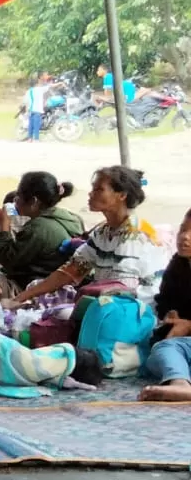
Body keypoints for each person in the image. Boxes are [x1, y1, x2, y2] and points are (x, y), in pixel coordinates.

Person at [11, 166, 166, 306]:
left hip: (133, 312)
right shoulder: (102, 234)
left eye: (99, 189)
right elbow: (70, 271)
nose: (91, 193)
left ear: (122, 195)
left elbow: (129, 291)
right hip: (107, 308)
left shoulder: (137, 236)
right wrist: (22, 297)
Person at [0, 172, 83, 287]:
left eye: (18, 196)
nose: (15, 201)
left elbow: (7, 261)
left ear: (33, 201)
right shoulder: (71, 218)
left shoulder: (38, 228)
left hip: (39, 286)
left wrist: (3, 227)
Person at [140, 209, 191, 402]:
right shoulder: (179, 264)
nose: (185, 237)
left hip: (181, 341)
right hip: (184, 343)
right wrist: (171, 315)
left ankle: (180, 384)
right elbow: (164, 300)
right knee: (154, 357)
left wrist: (187, 324)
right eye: (183, 230)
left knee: (166, 350)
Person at [23, 74, 54, 142]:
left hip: (31, 110)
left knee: (30, 125)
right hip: (37, 110)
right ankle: (36, 139)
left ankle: (29, 138)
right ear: (37, 83)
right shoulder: (40, 90)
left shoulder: (29, 91)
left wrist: (27, 110)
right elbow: (49, 86)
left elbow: (25, 101)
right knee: (36, 125)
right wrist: (60, 83)